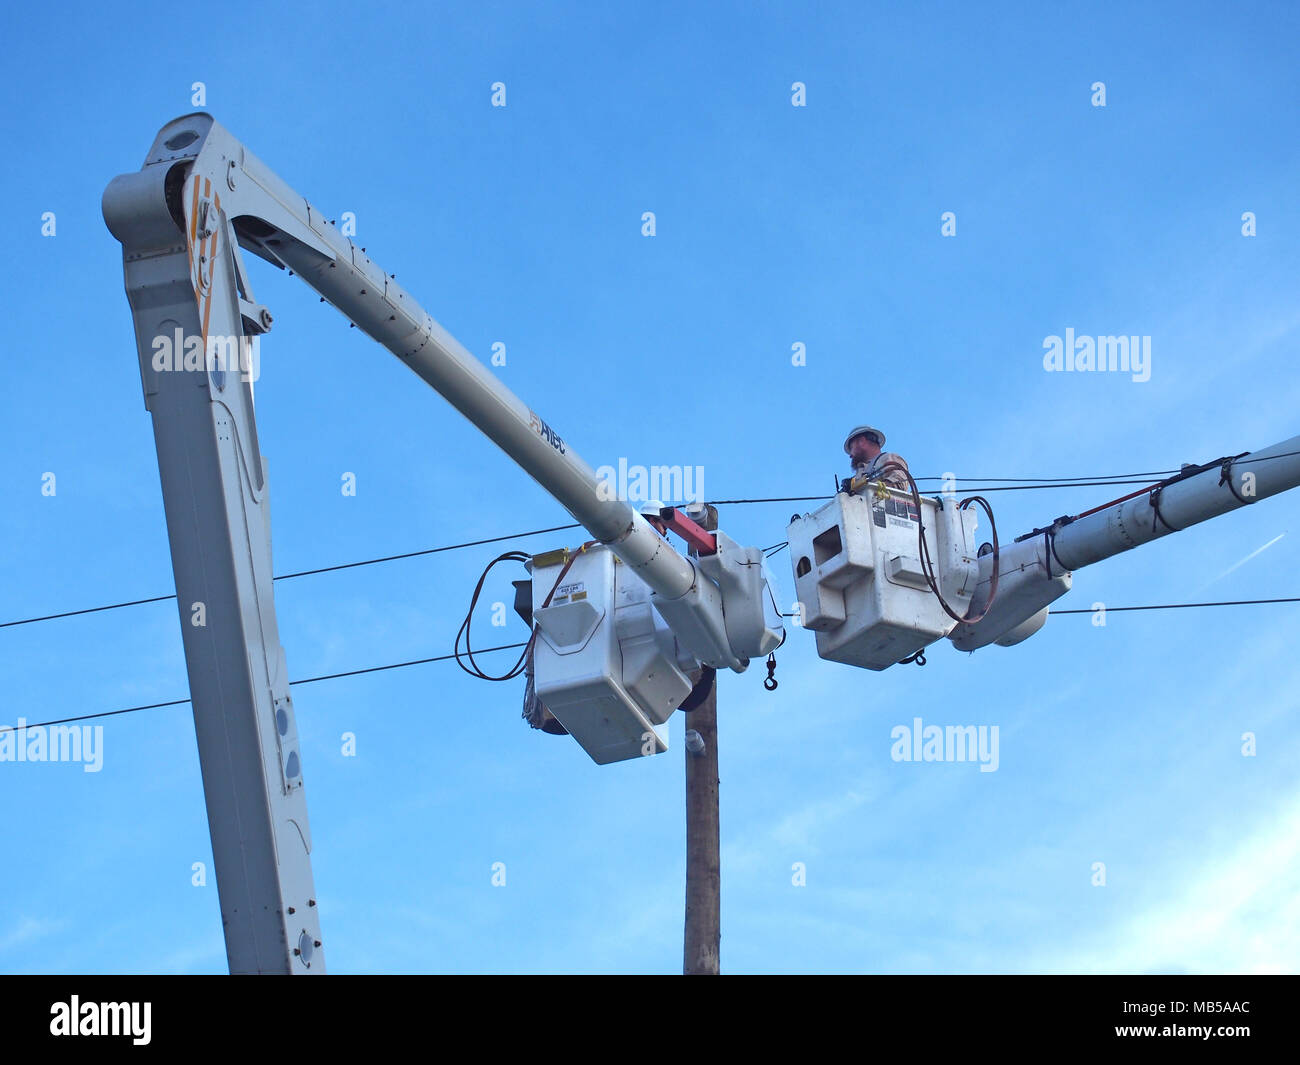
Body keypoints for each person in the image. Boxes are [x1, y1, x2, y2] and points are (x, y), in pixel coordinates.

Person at [843, 425, 910, 490]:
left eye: (852, 448)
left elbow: (899, 483)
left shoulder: (888, 459)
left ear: (861, 442)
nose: (850, 455)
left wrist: (878, 490)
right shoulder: (858, 475)